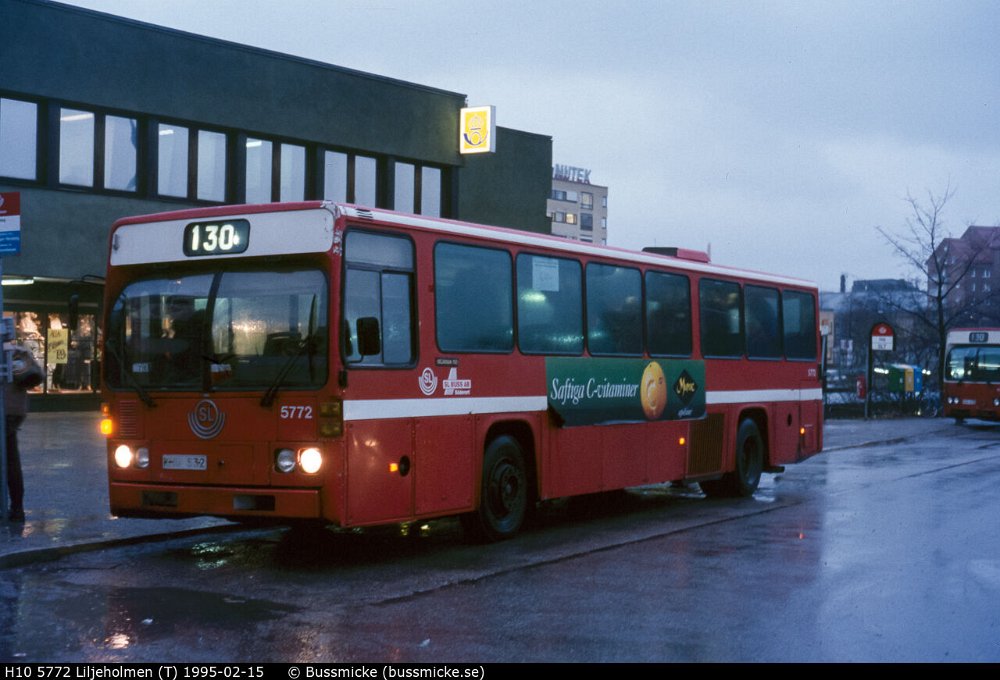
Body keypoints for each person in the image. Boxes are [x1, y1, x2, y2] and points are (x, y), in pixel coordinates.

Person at [5, 344, 42, 522]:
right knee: (12, 460)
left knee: (10, 459)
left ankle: (15, 507)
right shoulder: (18, 351)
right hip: (15, 411)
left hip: (5, 411)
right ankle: (17, 507)